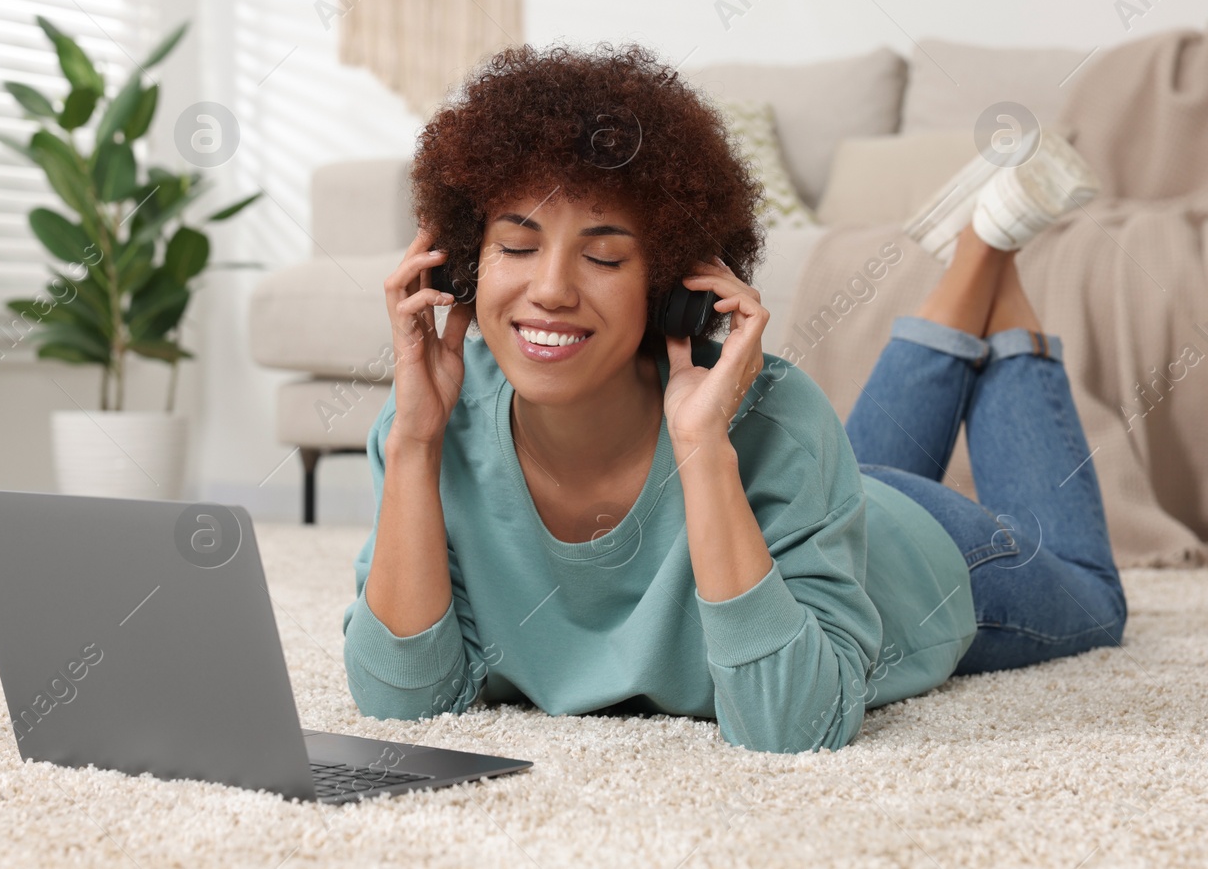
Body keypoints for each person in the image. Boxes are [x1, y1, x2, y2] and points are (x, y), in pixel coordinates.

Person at [340, 42, 1128, 753]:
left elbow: (795, 727)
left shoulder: (769, 422)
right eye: (516, 246)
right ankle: (981, 242)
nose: (549, 289)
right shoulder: (428, 424)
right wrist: (414, 443)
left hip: (915, 551)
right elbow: (406, 705)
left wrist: (703, 449)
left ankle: (990, 244)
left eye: (604, 256)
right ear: (460, 271)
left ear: (669, 284)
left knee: (1094, 601)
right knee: (836, 464)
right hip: (815, 500)